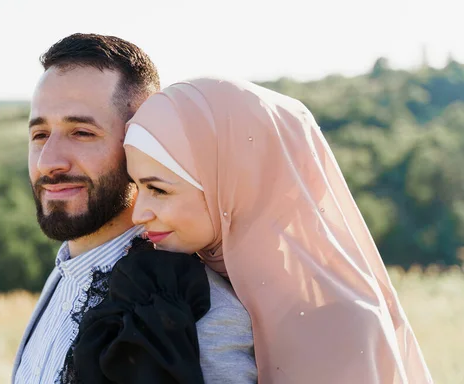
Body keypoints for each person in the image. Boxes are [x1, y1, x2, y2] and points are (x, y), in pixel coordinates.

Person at [101, 78, 431, 383]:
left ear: (230, 187)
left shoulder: (344, 327)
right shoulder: (165, 289)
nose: (139, 213)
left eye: (158, 189)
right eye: (137, 187)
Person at [12, 35, 257, 384]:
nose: (49, 162)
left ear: (140, 140)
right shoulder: (65, 273)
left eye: (81, 132)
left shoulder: (199, 310)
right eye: (39, 135)